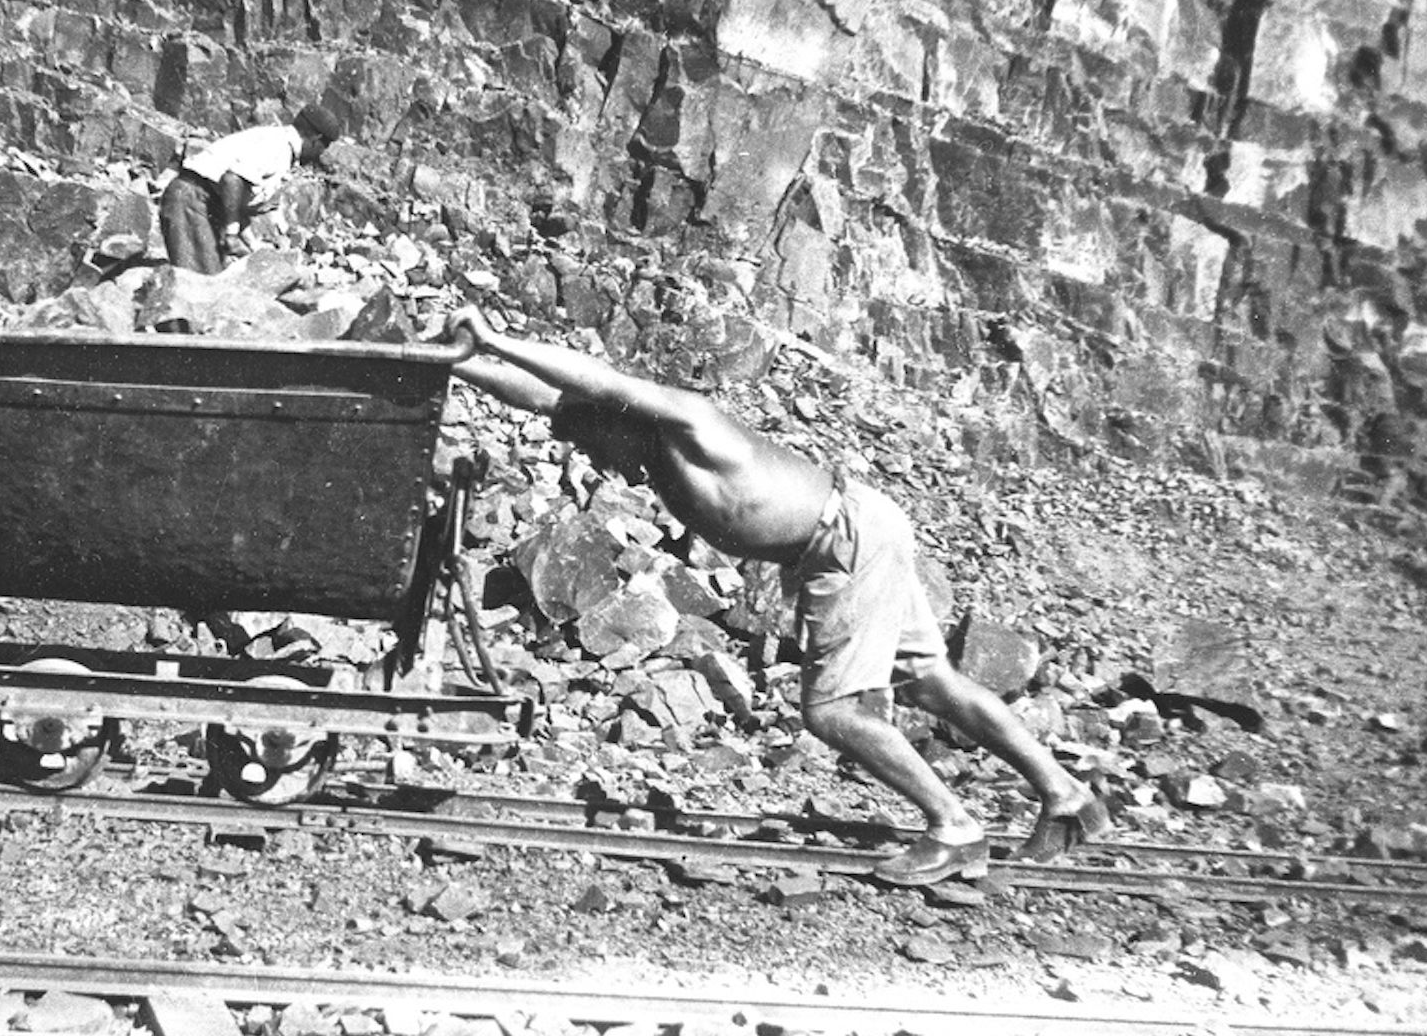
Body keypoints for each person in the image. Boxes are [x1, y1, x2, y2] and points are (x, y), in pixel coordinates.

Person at [448, 305, 1113, 887]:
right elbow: (543, 400)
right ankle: (1065, 795)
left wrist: (496, 338)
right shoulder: (645, 443)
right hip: (852, 531)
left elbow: (596, 381)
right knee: (928, 680)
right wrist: (454, 362)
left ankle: (954, 826)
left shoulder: (689, 420)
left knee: (832, 711)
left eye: (601, 439)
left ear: (625, 418)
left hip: (843, 539)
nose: (600, 457)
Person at [159, 104, 342, 273]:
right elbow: (232, 180)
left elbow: (236, 196)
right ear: (316, 139)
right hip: (192, 199)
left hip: (203, 202)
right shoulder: (276, 145)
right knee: (199, 284)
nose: (320, 155)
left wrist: (251, 246)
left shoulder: (277, 143)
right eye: (323, 148)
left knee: (213, 280)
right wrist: (232, 234)